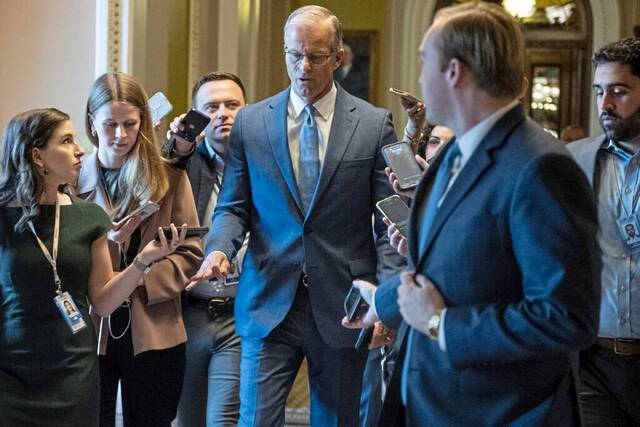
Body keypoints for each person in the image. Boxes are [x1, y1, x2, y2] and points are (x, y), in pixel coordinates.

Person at [344, 2, 601, 425]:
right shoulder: (452, 154)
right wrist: (383, 302)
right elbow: (443, 265)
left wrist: (440, 324)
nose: (418, 77)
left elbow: (567, 318)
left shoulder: (541, 167)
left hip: (496, 412)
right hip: (429, 402)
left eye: (424, 61)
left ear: (454, 72)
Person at [188, 5, 405, 426]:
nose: (303, 67)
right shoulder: (252, 123)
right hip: (268, 300)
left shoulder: (373, 124)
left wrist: (384, 297)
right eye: (294, 55)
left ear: (337, 58)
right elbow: (233, 206)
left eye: (316, 56)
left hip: (344, 303)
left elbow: (388, 222)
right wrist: (218, 250)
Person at [0, 108, 190, 426]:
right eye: (66, 141)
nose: (80, 150)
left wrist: (143, 261)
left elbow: (102, 302)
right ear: (37, 155)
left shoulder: (89, 217)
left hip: (73, 371)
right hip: (10, 374)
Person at [77, 72, 203, 427]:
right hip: (89, 329)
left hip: (156, 327)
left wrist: (137, 279)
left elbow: (191, 253)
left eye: (130, 124)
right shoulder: (71, 180)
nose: (120, 135)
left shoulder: (170, 177)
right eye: (110, 125)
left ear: (143, 122)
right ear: (92, 122)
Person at [163, 71, 248, 426]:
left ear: (248, 109)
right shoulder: (186, 163)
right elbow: (162, 175)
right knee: (189, 419)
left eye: (232, 105)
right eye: (211, 107)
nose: (222, 113)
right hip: (189, 312)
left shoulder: (264, 161)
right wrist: (176, 149)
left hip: (240, 313)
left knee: (223, 419)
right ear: (196, 116)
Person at [567, 36, 640, 426]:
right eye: (599, 91)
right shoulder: (574, 161)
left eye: (619, 91)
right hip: (592, 363)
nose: (605, 104)